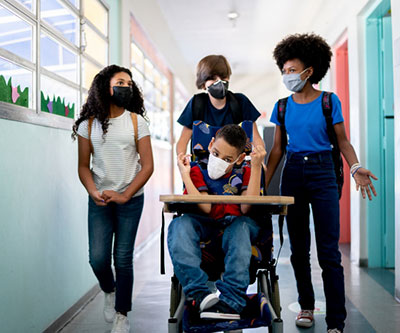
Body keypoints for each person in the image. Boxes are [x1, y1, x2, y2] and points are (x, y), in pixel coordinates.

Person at [265, 33, 377, 333]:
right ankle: (305, 306)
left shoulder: (329, 102)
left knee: (328, 252)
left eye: (292, 69)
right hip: (293, 175)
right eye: (284, 70)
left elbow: (342, 141)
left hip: (323, 171)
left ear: (309, 70)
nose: (287, 75)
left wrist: (355, 167)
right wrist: (260, 184)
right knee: (298, 249)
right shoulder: (282, 107)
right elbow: (277, 149)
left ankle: (336, 322)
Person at [72, 65, 154, 333]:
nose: (126, 88)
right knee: (97, 258)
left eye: (130, 84)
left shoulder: (136, 121)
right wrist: (92, 191)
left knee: (123, 258)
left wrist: (125, 194)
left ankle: (122, 313)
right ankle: (109, 289)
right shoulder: (89, 125)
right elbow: (84, 166)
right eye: (121, 82)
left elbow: (148, 166)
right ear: (105, 87)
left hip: (131, 199)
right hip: (101, 201)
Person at [168, 124, 266, 320]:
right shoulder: (196, 169)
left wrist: (256, 167)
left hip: (239, 224)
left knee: (239, 228)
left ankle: (231, 301)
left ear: (239, 159)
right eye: (216, 153)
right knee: (179, 225)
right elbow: (205, 207)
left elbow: (247, 207)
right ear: (211, 143)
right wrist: (184, 175)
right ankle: (201, 295)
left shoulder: (246, 170)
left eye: (228, 159)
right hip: (207, 224)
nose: (219, 161)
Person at [176, 54, 264, 156]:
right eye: (212, 78)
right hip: (203, 168)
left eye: (223, 77)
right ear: (203, 83)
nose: (219, 82)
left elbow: (257, 140)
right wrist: (182, 159)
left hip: (236, 167)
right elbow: (182, 141)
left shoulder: (241, 102)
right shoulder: (197, 104)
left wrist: (260, 160)